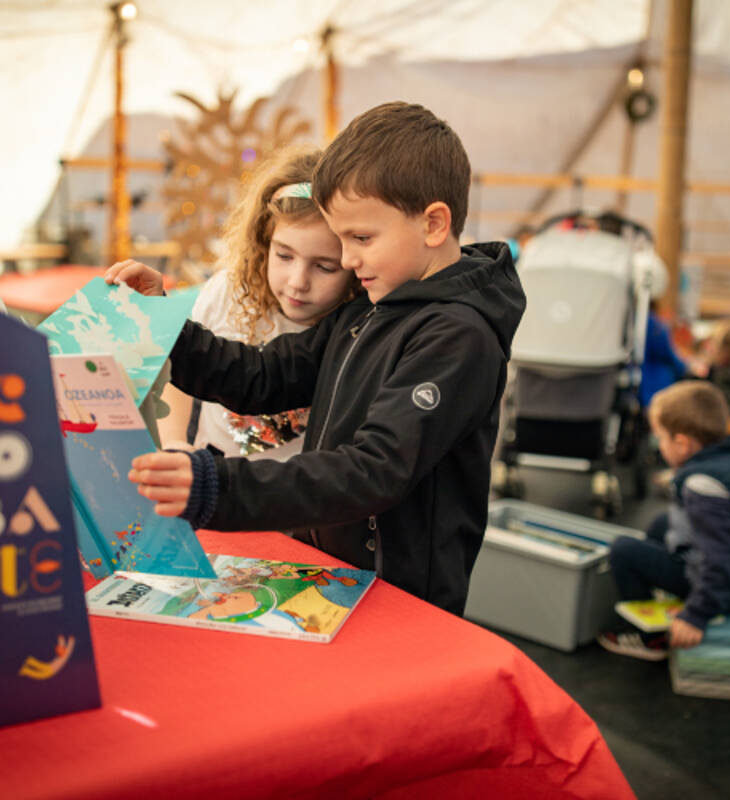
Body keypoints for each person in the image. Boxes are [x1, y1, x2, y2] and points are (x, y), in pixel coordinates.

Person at [107, 101, 526, 616]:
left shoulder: (458, 338)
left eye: (361, 239)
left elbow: (373, 470)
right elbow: (264, 376)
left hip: (402, 597)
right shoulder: (374, 309)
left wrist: (218, 486)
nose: (349, 260)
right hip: (334, 576)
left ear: (434, 224)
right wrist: (166, 324)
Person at [152, 144, 358, 460]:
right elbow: (179, 373)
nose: (297, 281)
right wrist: (175, 442)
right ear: (264, 242)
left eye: (325, 266)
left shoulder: (355, 327)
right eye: (284, 255)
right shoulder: (226, 291)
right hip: (211, 486)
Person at [598, 380, 730, 660]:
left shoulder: (703, 484)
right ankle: (670, 595)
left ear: (682, 443)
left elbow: (718, 558)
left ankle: (650, 638)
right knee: (660, 524)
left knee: (623, 550)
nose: (660, 445)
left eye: (661, 438)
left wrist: (696, 614)